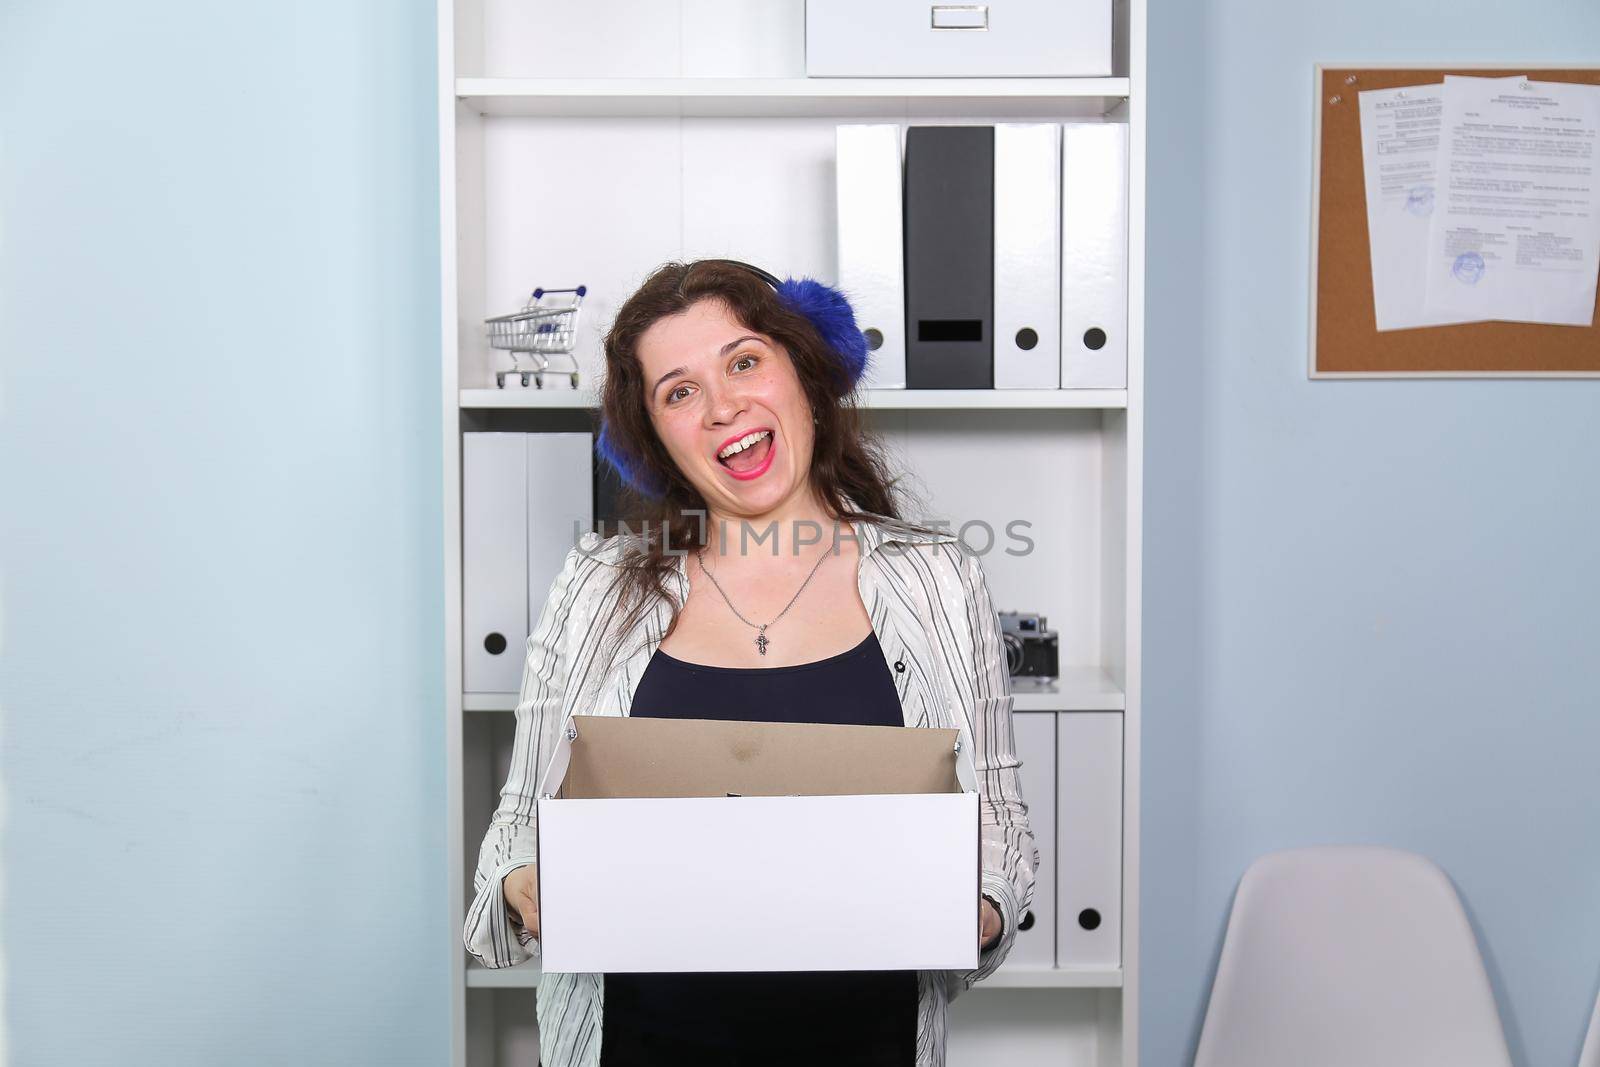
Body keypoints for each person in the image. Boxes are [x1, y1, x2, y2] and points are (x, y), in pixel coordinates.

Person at [463, 259, 1037, 1067]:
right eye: (679, 390)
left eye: (743, 361)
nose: (723, 405)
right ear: (654, 438)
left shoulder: (940, 578)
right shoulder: (594, 584)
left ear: (804, 371)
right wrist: (527, 881)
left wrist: (979, 901)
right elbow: (519, 820)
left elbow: (1000, 824)